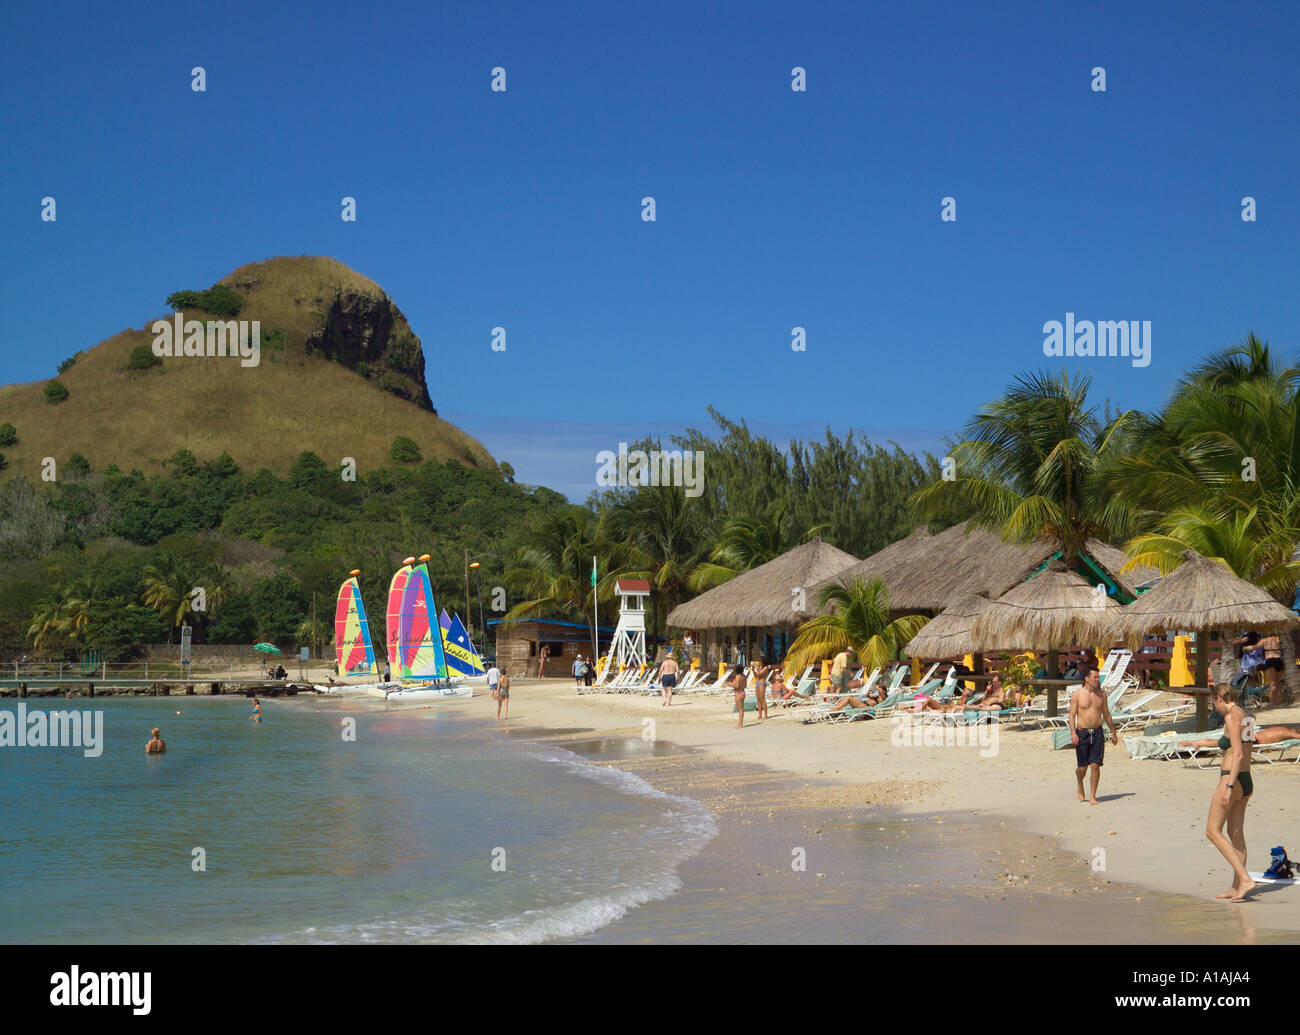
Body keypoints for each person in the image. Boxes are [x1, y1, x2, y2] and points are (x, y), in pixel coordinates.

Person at [1204, 683, 1258, 901]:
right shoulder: (1247, 716)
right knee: (1236, 834)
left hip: (1231, 778)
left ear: (1219, 698)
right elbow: (1245, 749)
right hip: (1246, 779)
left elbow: (1236, 754)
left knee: (1212, 831)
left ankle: (1245, 879)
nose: (1214, 707)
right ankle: (1237, 887)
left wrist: (1228, 787)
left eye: (1213, 703)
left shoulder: (1230, 717)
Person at [1068, 667, 1117, 805]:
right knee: (1082, 767)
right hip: (1082, 733)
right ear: (1086, 678)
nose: (1097, 680)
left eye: (1098, 677)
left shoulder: (1102, 695)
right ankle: (1079, 782)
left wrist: (1113, 732)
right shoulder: (1077, 695)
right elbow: (1071, 715)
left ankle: (1092, 796)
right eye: (1095, 677)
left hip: (1097, 732)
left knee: (1095, 765)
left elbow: (1106, 714)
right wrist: (1072, 733)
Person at [1257, 634, 1284, 706]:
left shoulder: (1265, 640)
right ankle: (1279, 700)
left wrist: (1245, 647)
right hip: (1279, 660)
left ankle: (1273, 701)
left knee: (1272, 683)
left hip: (1270, 661)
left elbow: (1254, 647)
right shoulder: (1278, 639)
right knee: (1278, 682)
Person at [751, 655, 772, 720]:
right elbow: (756, 676)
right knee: (758, 699)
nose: (759, 662)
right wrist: (753, 670)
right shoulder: (759, 667)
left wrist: (756, 669)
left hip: (762, 683)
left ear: (763, 661)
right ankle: (760, 715)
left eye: (760, 661)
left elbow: (759, 674)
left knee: (762, 699)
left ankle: (765, 715)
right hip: (757, 683)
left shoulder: (765, 668)